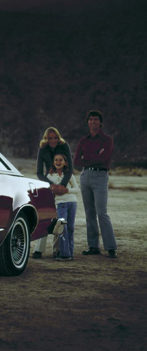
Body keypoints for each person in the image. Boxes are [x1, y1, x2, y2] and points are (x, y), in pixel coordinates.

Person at [74, 110, 117, 258]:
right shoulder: (83, 141)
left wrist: (88, 158)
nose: (93, 122)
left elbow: (104, 159)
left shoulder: (107, 140)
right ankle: (93, 246)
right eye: (90, 119)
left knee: (101, 212)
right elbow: (76, 162)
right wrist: (94, 156)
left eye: (96, 120)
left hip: (100, 176)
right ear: (88, 122)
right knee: (89, 213)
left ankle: (111, 247)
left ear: (100, 123)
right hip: (85, 176)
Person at [32, 127, 73, 258]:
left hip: (63, 179)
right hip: (48, 182)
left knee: (59, 218)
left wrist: (62, 186)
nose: (53, 140)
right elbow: (39, 172)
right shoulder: (42, 148)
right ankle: (38, 250)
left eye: (55, 137)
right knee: (46, 216)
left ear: (58, 137)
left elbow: (70, 168)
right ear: (46, 138)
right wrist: (51, 186)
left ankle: (57, 250)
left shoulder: (64, 145)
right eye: (50, 138)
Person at [47, 152, 79, 261]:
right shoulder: (50, 176)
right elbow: (48, 190)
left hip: (72, 203)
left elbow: (77, 190)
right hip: (60, 205)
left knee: (70, 228)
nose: (58, 162)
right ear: (53, 162)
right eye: (56, 160)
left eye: (61, 160)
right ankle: (64, 254)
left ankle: (70, 253)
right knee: (62, 227)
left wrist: (67, 190)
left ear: (65, 163)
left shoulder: (69, 175)